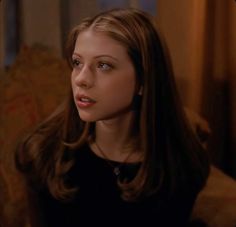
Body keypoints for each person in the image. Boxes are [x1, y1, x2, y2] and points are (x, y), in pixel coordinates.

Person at [15, 8, 210, 227]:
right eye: (77, 63)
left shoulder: (181, 166)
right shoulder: (44, 154)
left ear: (144, 80)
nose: (81, 79)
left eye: (103, 65)